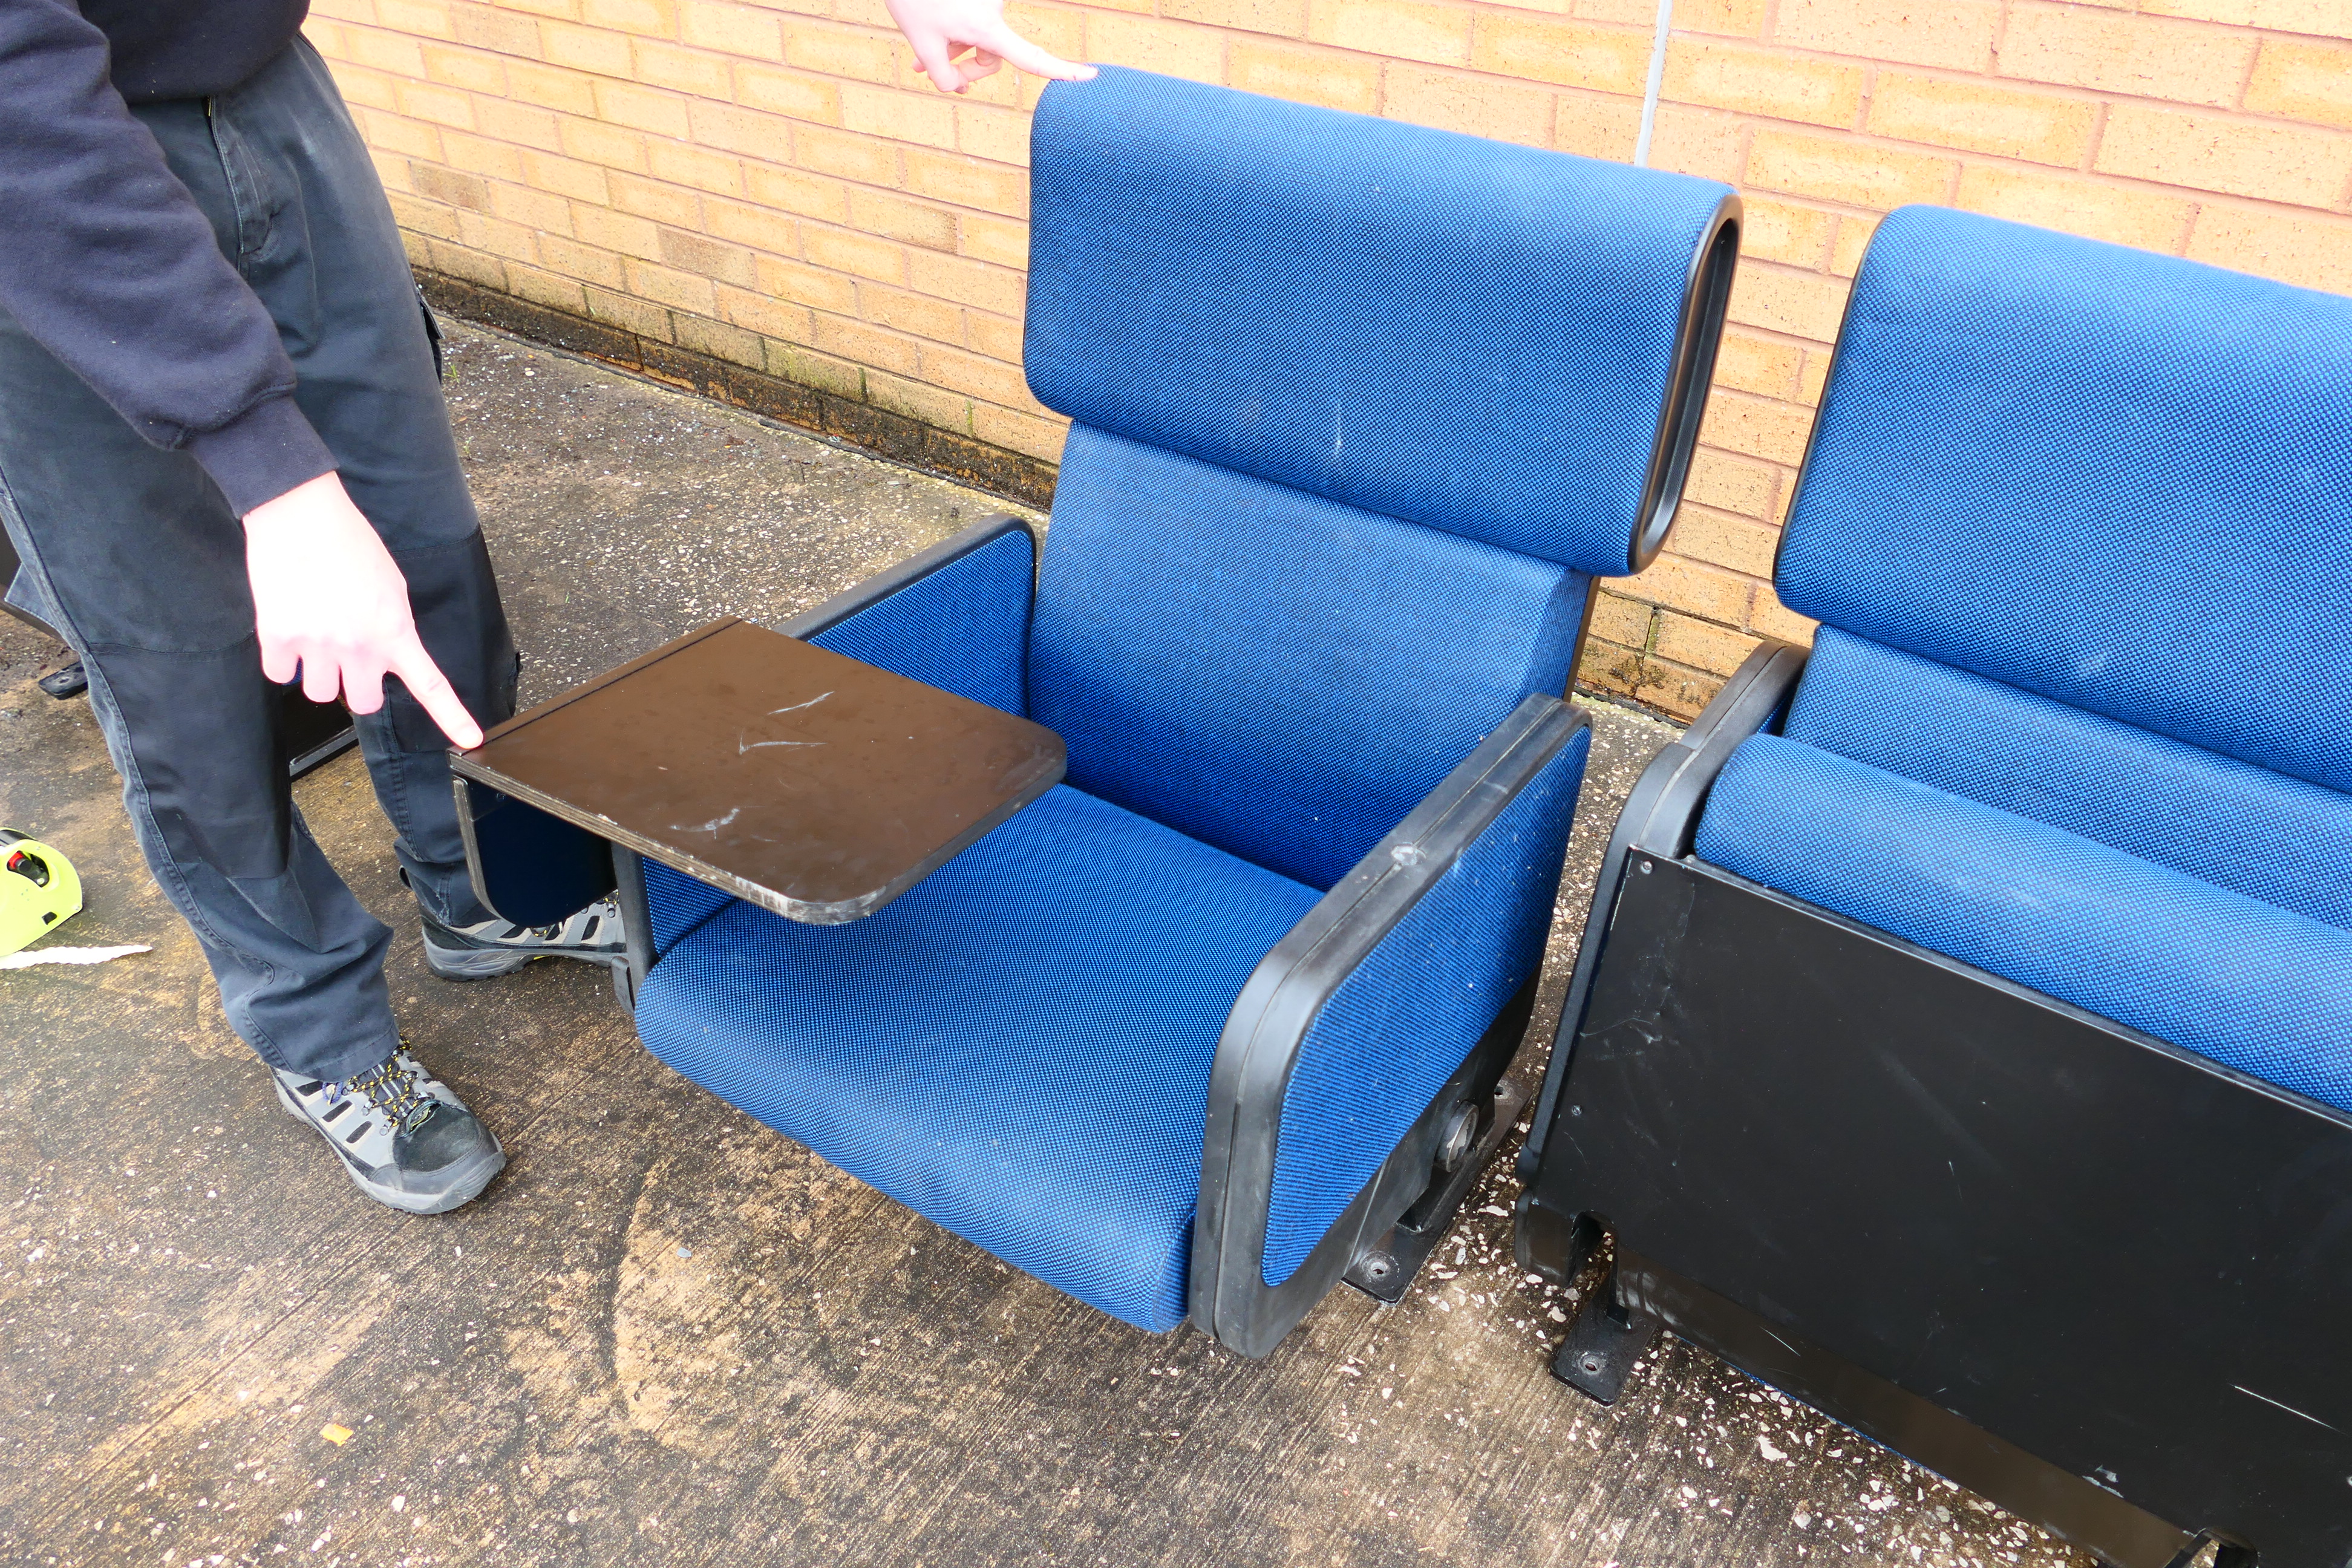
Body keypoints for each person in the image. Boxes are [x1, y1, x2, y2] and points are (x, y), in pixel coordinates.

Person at [0, 1, 626, 1217]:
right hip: (36, 181)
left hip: (265, 94)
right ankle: (321, 1030)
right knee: (185, 666)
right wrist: (267, 469)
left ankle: (483, 892)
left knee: (425, 559)